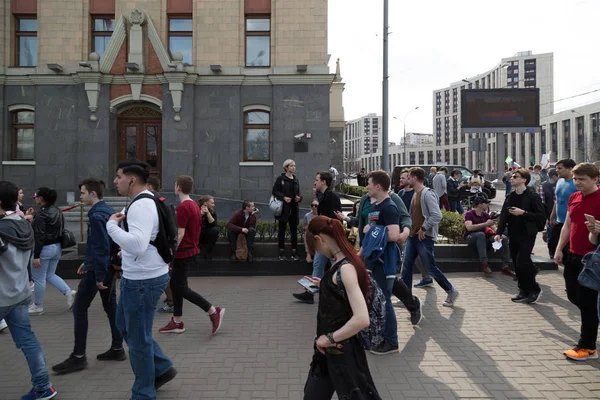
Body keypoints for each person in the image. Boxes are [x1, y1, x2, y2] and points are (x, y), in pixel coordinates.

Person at [107, 160, 177, 399]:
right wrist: (124, 246)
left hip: (141, 281)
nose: (115, 181)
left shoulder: (141, 205)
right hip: (141, 277)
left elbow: (137, 245)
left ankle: (144, 393)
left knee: (138, 341)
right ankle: (161, 368)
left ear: (132, 180)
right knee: (125, 326)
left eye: (118, 177)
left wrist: (111, 227)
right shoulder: (143, 201)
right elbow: (144, 239)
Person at [301, 216, 381, 399]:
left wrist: (328, 338)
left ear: (319, 239)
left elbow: (362, 319)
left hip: (340, 350)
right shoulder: (341, 262)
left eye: (315, 247)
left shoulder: (345, 269)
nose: (317, 251)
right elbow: (342, 296)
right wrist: (325, 285)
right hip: (329, 351)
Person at [52, 178, 125, 375]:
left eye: (83, 193)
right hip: (107, 267)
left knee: (79, 307)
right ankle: (117, 348)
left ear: (93, 194)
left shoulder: (97, 215)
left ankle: (78, 356)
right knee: (111, 307)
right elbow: (104, 244)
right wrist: (90, 260)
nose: (80, 197)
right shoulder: (107, 211)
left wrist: (98, 272)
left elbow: (101, 246)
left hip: (100, 271)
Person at [0, 180, 58, 400]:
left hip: (3, 295)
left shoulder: (3, 228)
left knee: (27, 340)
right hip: (21, 292)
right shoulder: (23, 223)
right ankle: (44, 386)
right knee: (28, 340)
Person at [361, 170, 422, 355]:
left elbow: (394, 235)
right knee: (378, 299)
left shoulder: (389, 207)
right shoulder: (374, 206)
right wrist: (360, 253)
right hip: (373, 260)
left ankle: (391, 341)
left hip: (384, 261)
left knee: (385, 299)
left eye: (369, 183)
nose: (367, 187)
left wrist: (370, 230)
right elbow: (373, 235)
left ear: (378, 186)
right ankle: (380, 336)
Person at [159, 176, 224, 335]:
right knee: (176, 286)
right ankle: (177, 321)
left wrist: (170, 256)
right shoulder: (194, 205)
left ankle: (213, 311)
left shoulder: (183, 208)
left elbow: (179, 235)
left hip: (183, 252)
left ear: (178, 188)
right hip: (190, 251)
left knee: (181, 288)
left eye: (175, 185)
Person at [554, 163, 600, 361]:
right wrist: (558, 249)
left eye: (582, 179)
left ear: (595, 179)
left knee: (587, 303)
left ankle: (587, 347)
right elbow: (567, 225)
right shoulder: (574, 197)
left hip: (592, 259)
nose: (577, 183)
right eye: (575, 179)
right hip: (572, 255)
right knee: (575, 297)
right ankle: (590, 331)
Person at [401, 167, 459, 307]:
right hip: (413, 236)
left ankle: (451, 290)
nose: (407, 179)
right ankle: (407, 298)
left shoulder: (427, 194)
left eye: (408, 177)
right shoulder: (416, 194)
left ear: (414, 178)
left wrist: (424, 227)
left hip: (424, 238)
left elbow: (437, 215)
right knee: (406, 267)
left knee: (430, 268)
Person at [495, 168, 546, 304]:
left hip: (527, 233)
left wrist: (523, 213)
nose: (512, 178)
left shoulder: (532, 196)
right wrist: (499, 233)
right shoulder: (510, 196)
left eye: (515, 176)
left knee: (522, 261)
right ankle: (523, 290)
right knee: (517, 264)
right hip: (514, 233)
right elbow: (504, 216)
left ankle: (534, 289)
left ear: (524, 180)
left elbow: (541, 216)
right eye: (512, 176)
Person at [293, 171, 342, 304]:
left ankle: (341, 293)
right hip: (323, 238)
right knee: (318, 264)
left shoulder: (331, 197)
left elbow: (336, 219)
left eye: (317, 180)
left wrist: (331, 237)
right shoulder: (323, 197)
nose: (315, 182)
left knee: (336, 265)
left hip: (330, 239)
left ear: (323, 182)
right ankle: (310, 293)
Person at [29, 187, 76, 315]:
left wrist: (36, 256)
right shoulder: (57, 211)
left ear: (41, 198)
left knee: (39, 278)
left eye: (36, 196)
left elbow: (39, 236)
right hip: (57, 247)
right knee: (50, 274)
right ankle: (69, 293)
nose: (35, 198)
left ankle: (37, 306)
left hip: (44, 249)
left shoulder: (41, 215)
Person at [145, 177, 175, 314]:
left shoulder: (153, 202)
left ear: (150, 187)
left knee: (163, 275)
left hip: (156, 246)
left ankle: (172, 301)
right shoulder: (160, 201)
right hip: (162, 245)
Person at [464, 197, 511, 275]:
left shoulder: (485, 215)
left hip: (483, 238)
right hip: (471, 237)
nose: (487, 205)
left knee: (502, 239)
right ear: (479, 205)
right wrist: (485, 224)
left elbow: (493, 227)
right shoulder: (469, 214)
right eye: (485, 203)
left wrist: (499, 235)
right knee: (480, 234)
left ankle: (505, 266)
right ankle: (484, 263)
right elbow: (469, 227)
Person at [272, 159, 302, 261]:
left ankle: (294, 251)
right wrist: (284, 197)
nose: (294, 167)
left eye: (294, 165)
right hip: (284, 209)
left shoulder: (296, 179)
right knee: (282, 231)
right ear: (286, 168)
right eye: (291, 166)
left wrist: (299, 198)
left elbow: (298, 194)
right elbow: (274, 191)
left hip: (294, 209)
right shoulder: (281, 179)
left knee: (294, 231)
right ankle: (281, 251)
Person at [549, 159, 577, 259]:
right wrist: (552, 216)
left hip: (571, 223)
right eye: (556, 168)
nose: (557, 171)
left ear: (570, 169)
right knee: (552, 244)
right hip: (559, 221)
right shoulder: (559, 181)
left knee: (567, 250)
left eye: (560, 168)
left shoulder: (576, 183)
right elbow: (557, 200)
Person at [541, 169, 558, 257]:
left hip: (560, 213)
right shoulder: (544, 185)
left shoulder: (560, 184)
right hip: (549, 212)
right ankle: (552, 253)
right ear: (554, 176)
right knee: (550, 234)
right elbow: (542, 201)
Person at [198, 195, 218, 260]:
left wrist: (207, 213)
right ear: (205, 203)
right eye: (212, 203)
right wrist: (200, 214)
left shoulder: (213, 212)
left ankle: (208, 252)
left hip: (207, 235)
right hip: (197, 234)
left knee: (215, 230)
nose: (214, 205)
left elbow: (214, 225)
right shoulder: (196, 209)